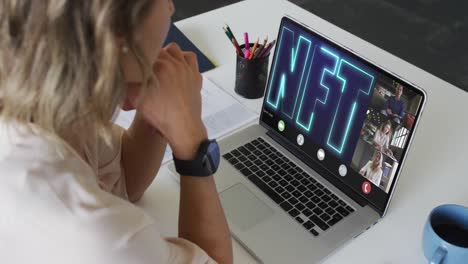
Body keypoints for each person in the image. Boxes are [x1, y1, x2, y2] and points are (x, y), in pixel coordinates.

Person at [0, 1, 233, 263]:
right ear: (113, 32)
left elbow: (125, 175)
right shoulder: (107, 239)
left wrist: (159, 109)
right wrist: (192, 144)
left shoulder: (39, 95)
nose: (171, 7)